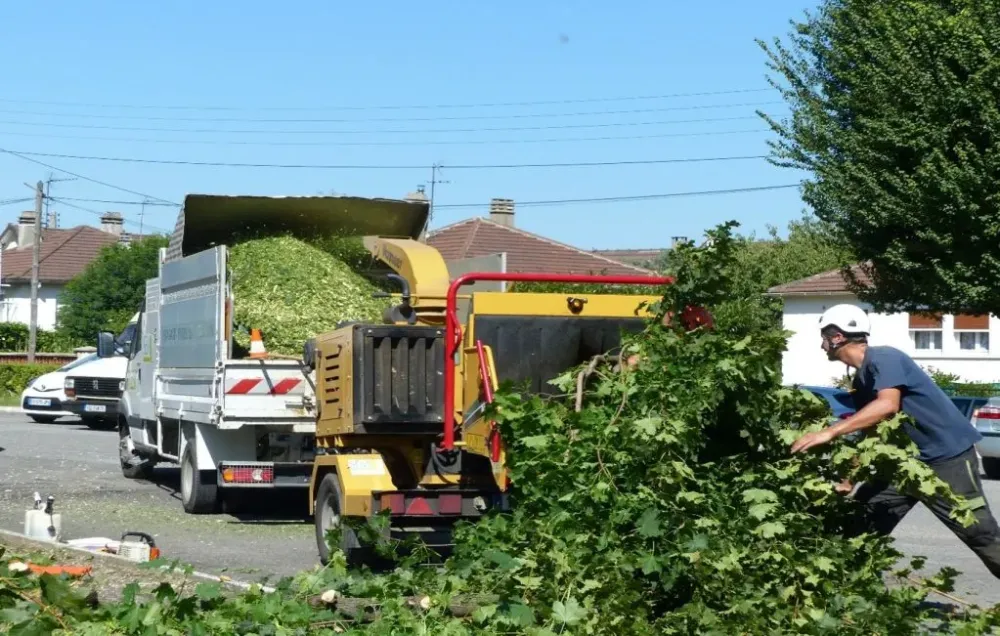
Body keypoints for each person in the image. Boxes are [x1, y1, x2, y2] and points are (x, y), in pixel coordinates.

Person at [790, 303, 1000, 578]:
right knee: (859, 524)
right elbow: (872, 431)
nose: (822, 346)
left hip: (947, 460)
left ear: (837, 336)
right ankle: (851, 595)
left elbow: (887, 405)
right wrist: (849, 478)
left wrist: (829, 432)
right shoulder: (861, 380)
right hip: (902, 464)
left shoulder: (884, 358)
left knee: (980, 534)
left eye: (824, 339)